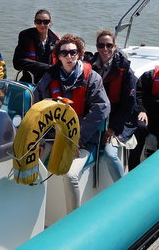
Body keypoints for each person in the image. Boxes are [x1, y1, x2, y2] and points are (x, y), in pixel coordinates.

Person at [34, 34, 110, 213]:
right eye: (64, 53)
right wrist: (39, 139)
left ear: (80, 54)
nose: (69, 57)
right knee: (33, 165)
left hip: (83, 140)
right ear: (58, 56)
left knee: (69, 175)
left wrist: (77, 139)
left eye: (73, 52)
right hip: (53, 136)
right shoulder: (48, 78)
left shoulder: (92, 78)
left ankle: (72, 220)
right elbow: (37, 107)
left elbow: (102, 108)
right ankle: (36, 217)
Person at [85, 30, 136, 181]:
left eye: (109, 45)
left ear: (115, 47)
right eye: (101, 45)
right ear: (96, 47)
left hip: (117, 120)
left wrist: (113, 127)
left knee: (109, 153)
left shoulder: (125, 70)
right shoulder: (90, 67)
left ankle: (122, 188)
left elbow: (129, 103)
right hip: (95, 117)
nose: (105, 49)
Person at [13, 9, 59, 84]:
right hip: (29, 80)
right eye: (39, 21)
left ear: (50, 23)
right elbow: (17, 63)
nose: (42, 25)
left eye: (45, 22)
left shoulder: (56, 41)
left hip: (48, 82)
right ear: (34, 22)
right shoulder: (25, 36)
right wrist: (46, 67)